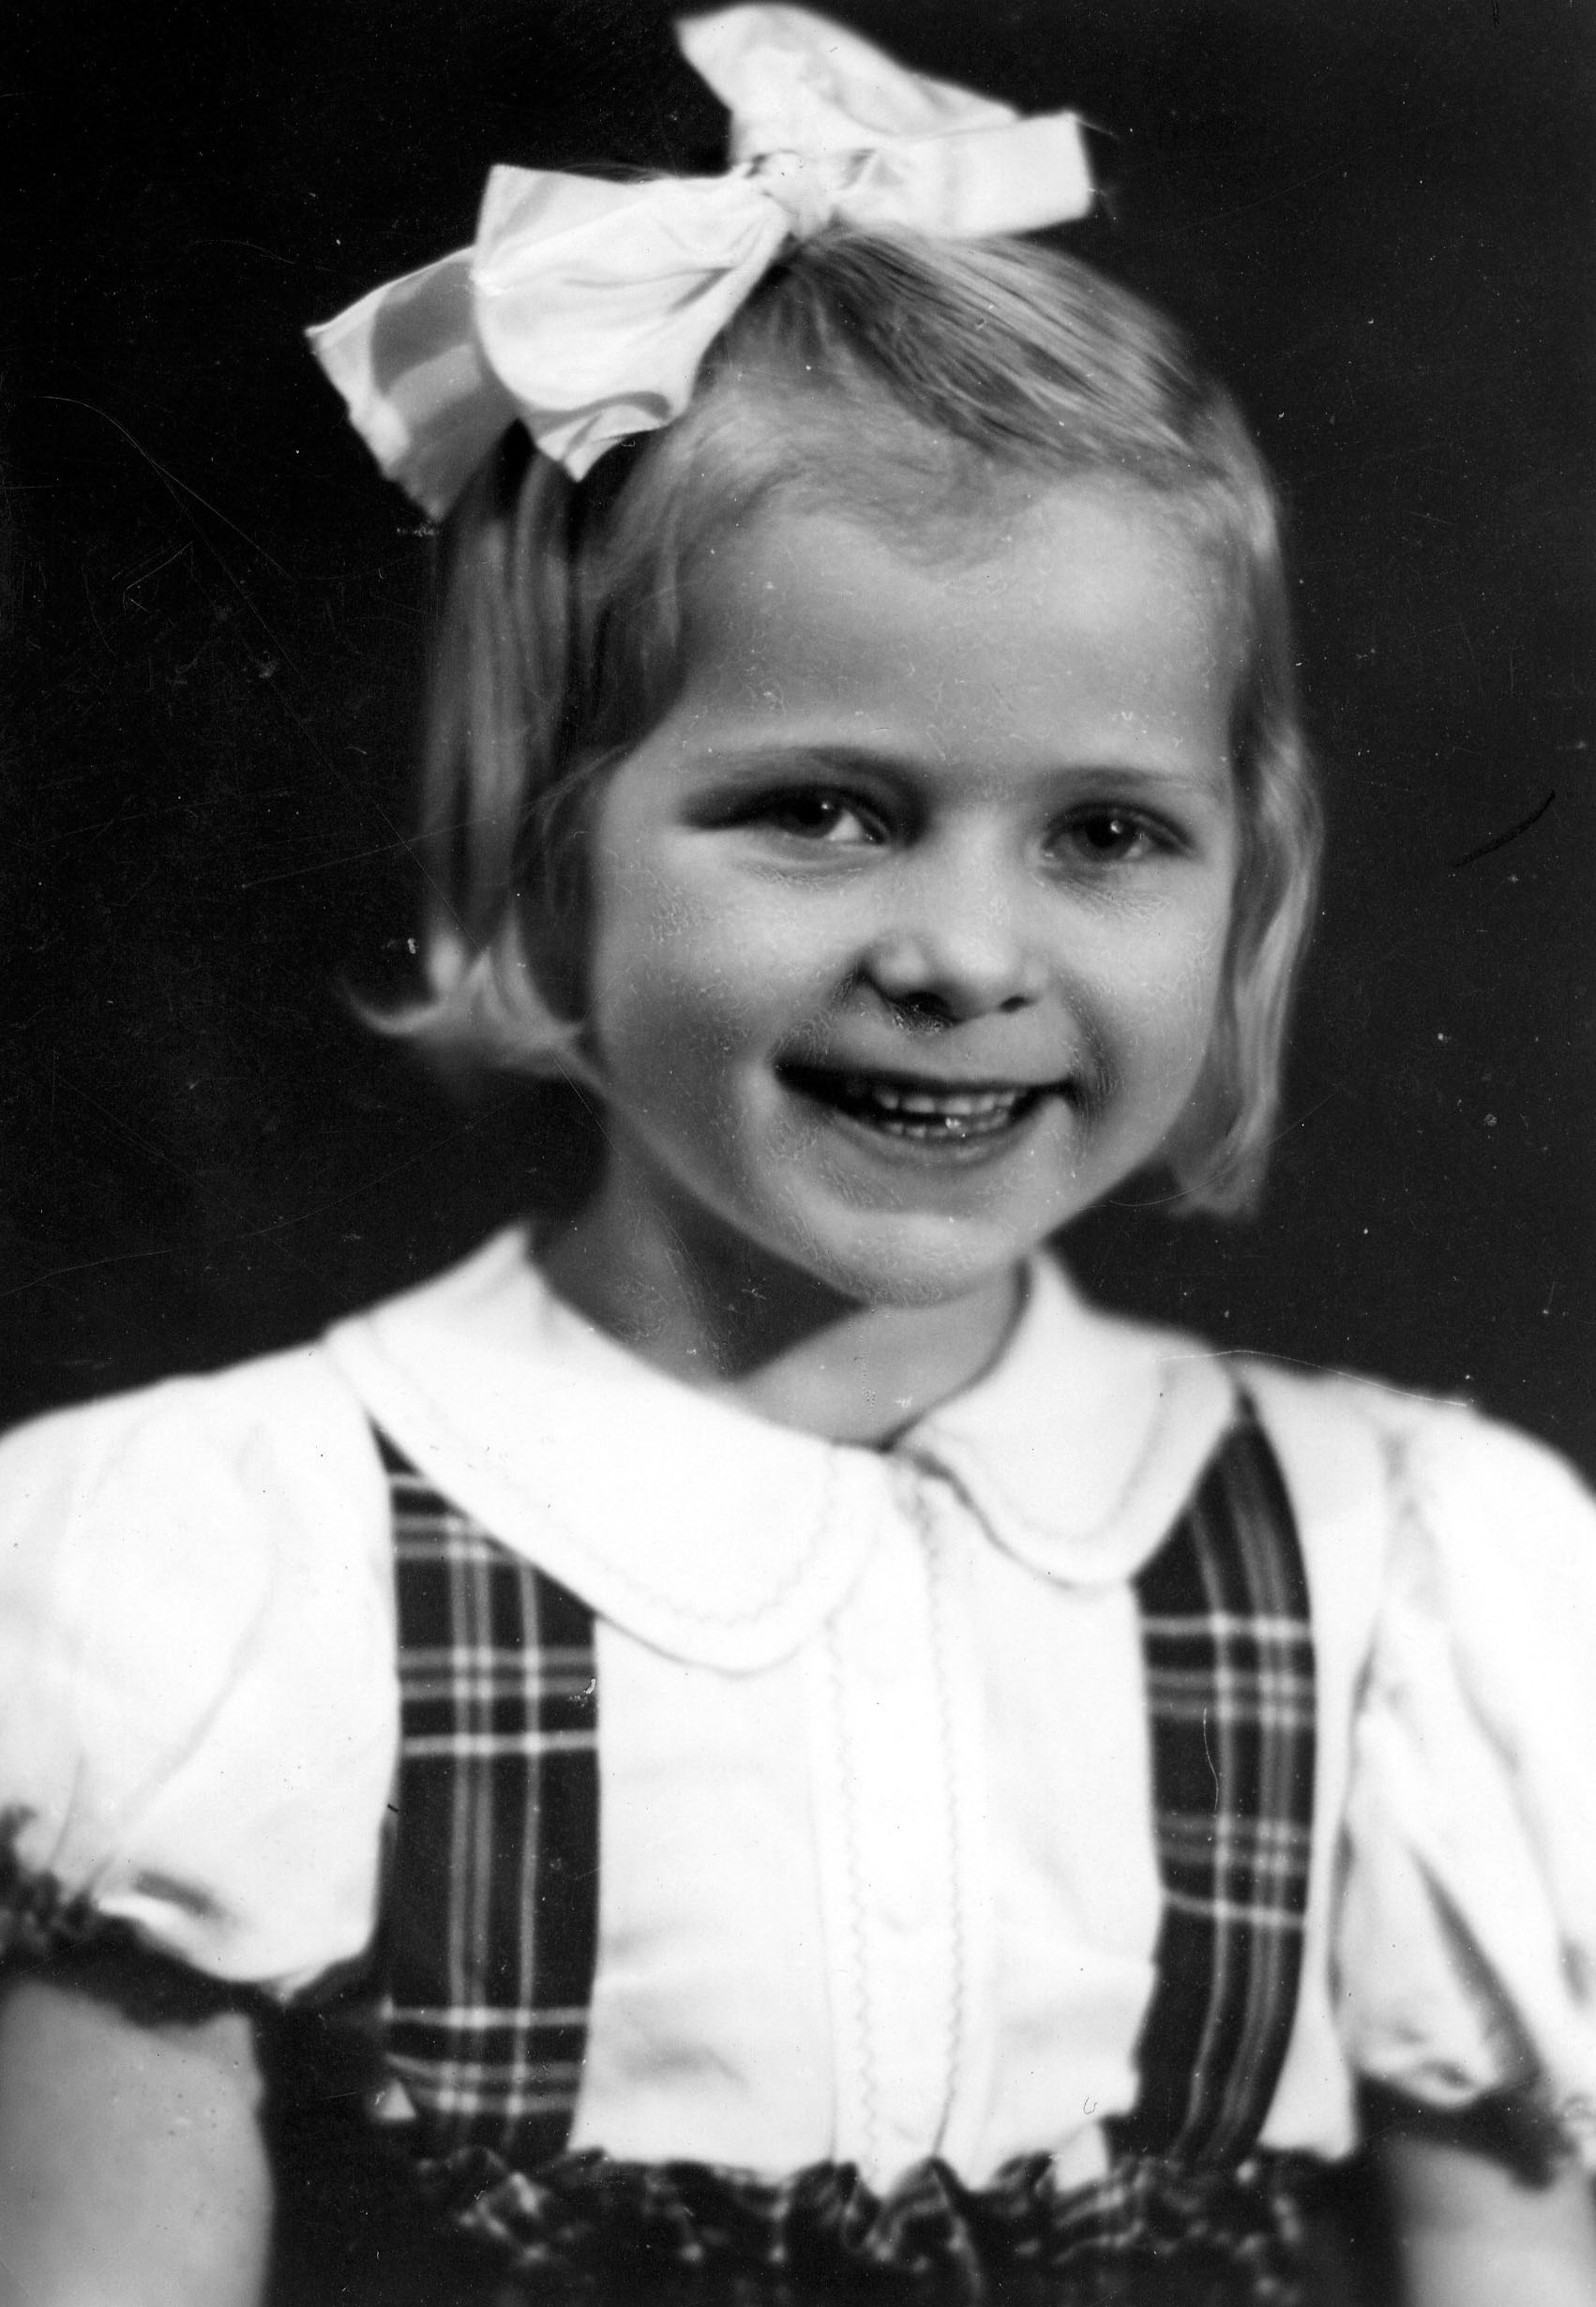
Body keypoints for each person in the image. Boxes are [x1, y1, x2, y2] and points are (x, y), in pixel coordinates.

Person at [2, 8, 1594, 2303]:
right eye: (822, 810)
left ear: (1244, 890)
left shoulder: (1401, 1581)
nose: (962, 954)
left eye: (1104, 835)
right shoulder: (229, 1577)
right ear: (544, 853)